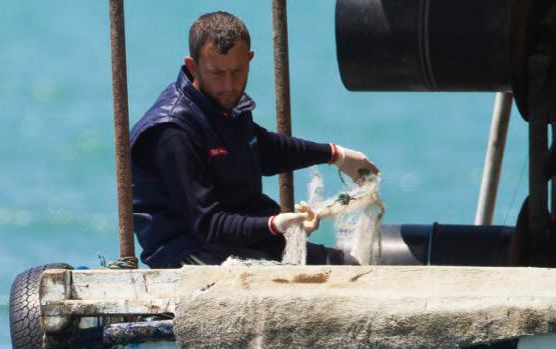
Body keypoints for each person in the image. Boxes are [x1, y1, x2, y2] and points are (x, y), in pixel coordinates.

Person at [130, 11, 379, 268]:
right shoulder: (173, 131)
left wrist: (335, 154)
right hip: (188, 251)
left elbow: (265, 150)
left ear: (249, 60)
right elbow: (208, 224)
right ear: (193, 67)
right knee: (300, 287)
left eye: (238, 71)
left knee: (344, 266)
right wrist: (274, 225)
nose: (229, 84)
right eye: (217, 73)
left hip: (238, 240)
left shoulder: (224, 107)